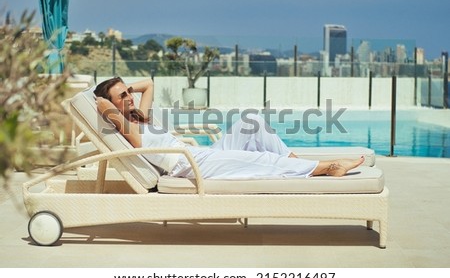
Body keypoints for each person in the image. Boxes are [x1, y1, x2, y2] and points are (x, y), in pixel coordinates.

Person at [94, 77, 364, 179]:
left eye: (129, 92)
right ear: (112, 105)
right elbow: (103, 107)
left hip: (197, 156)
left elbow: (149, 84)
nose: (130, 96)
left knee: (253, 123)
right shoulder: (125, 127)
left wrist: (122, 89)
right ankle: (328, 167)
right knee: (261, 159)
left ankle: (299, 162)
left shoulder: (139, 117)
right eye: (123, 96)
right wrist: (103, 99)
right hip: (187, 166)